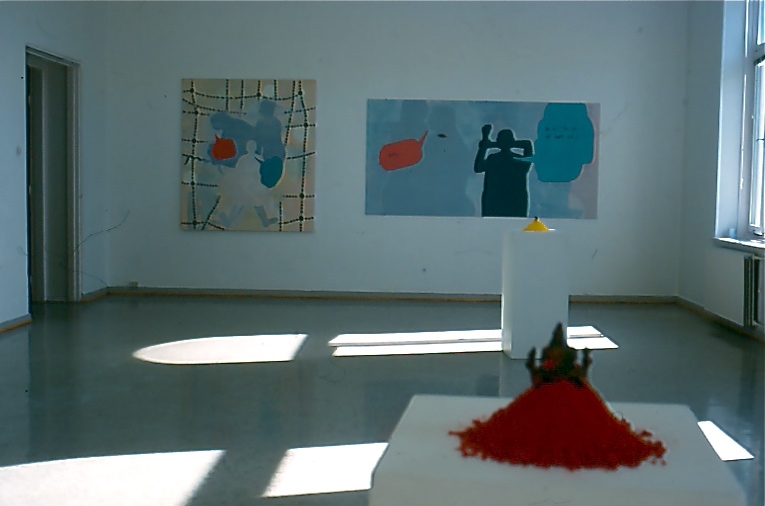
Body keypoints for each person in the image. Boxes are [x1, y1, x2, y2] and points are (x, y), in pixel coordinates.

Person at [473, 124, 533, 217]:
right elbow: (478, 168)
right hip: (498, 202)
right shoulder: (496, 159)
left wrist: (486, 146)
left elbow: (528, 144)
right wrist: (486, 146)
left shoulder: (496, 159)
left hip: (511, 202)